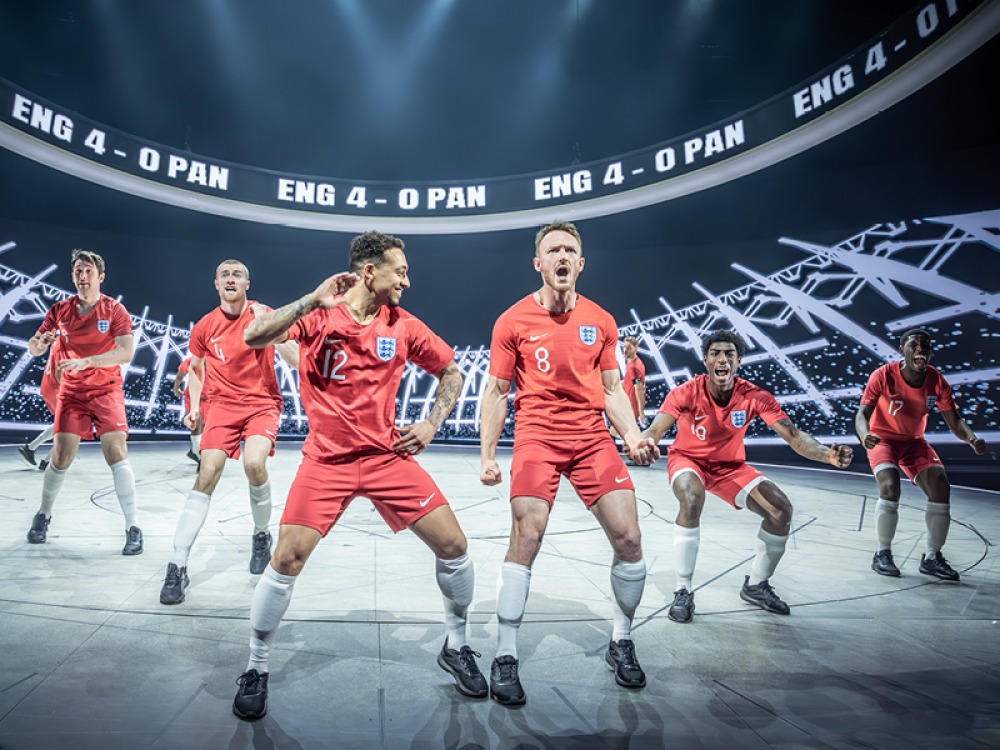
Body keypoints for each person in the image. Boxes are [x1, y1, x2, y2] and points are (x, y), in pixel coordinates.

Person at [231, 231, 485, 721]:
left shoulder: (404, 325)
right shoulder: (320, 315)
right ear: (371, 272)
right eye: (401, 271)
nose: (408, 281)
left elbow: (451, 371)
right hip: (326, 461)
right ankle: (256, 667)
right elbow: (253, 335)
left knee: (455, 547)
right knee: (285, 559)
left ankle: (457, 646)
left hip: (386, 458)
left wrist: (432, 424)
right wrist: (309, 300)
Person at [479, 221, 660, 707]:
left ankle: (621, 639)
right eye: (552, 250)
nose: (562, 256)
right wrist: (488, 457)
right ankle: (505, 653)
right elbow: (497, 392)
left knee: (630, 537)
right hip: (537, 434)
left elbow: (613, 389)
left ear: (581, 263)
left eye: (570, 250)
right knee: (528, 535)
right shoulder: (511, 321)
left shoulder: (601, 321)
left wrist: (633, 435)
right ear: (538, 264)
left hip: (590, 437)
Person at [641, 330, 853, 623]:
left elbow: (793, 435)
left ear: (739, 361)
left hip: (730, 467)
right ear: (705, 360)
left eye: (729, 354)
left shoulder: (754, 396)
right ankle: (683, 589)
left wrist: (826, 454)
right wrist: (646, 442)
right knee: (691, 498)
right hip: (689, 460)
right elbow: (655, 430)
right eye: (715, 353)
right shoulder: (685, 392)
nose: (722, 359)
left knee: (781, 510)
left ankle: (756, 585)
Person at [159, 260, 297, 605]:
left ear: (247, 283)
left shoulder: (262, 314)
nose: (231, 279)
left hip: (262, 403)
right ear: (216, 284)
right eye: (225, 275)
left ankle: (261, 534)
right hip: (221, 406)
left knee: (254, 465)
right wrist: (193, 406)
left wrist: (277, 331)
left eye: (237, 274)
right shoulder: (205, 326)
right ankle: (178, 564)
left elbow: (295, 360)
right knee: (207, 473)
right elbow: (195, 368)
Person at [25, 248, 142, 554]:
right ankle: (43, 515)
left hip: (106, 390)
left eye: (88, 271)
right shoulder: (59, 310)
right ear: (73, 275)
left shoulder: (115, 311)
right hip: (72, 393)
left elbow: (126, 352)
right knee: (61, 455)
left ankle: (133, 526)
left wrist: (88, 361)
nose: (83, 276)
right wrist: (39, 343)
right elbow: (35, 348)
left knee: (116, 450)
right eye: (78, 270)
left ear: (100, 277)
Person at [856, 328, 987, 580]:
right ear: (902, 350)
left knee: (940, 486)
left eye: (925, 346)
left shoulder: (936, 380)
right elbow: (862, 414)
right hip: (883, 439)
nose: (920, 349)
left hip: (914, 442)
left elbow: (955, 421)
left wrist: (971, 438)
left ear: (931, 353)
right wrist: (864, 436)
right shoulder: (882, 375)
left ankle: (932, 557)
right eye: (914, 345)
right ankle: (882, 553)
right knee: (890, 486)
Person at [19, 336, 65, 472]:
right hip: (57, 387)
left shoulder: (60, 338)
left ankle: (32, 448)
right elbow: (60, 371)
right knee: (72, 429)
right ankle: (47, 461)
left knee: (63, 424)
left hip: (48, 386)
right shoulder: (71, 342)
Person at [172, 355, 203, 466]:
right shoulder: (191, 360)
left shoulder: (218, 361)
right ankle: (200, 456)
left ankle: (195, 451)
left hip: (209, 397)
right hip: (193, 396)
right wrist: (176, 388)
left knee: (204, 426)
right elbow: (180, 375)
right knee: (196, 423)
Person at [622, 335, 647, 429]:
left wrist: (641, 411)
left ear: (636, 347)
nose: (625, 350)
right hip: (629, 403)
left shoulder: (633, 367)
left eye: (629, 348)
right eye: (624, 347)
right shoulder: (635, 361)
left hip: (631, 405)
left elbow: (638, 388)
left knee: (616, 431)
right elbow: (631, 381)